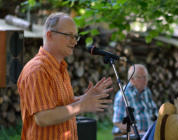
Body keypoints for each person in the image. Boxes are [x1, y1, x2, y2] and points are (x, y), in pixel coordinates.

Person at [17, 12, 113, 140]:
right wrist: (82, 105)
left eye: (75, 36)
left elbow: (60, 105)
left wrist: (84, 98)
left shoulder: (60, 67)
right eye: (68, 35)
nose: (74, 41)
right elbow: (43, 117)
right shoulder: (37, 70)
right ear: (49, 35)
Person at [112, 64, 157, 135]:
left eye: (146, 77)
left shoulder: (147, 91)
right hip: (133, 135)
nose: (145, 80)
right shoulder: (123, 94)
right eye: (141, 77)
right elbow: (117, 122)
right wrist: (137, 133)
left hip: (150, 133)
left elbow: (155, 113)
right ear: (132, 79)